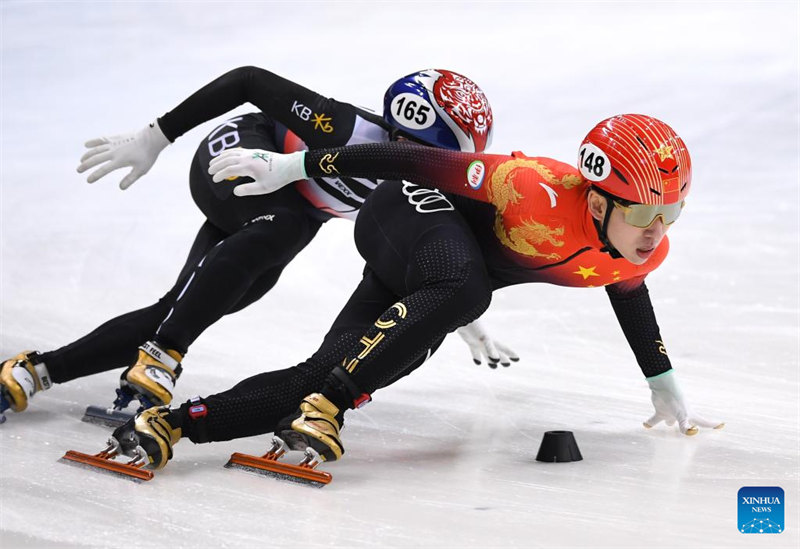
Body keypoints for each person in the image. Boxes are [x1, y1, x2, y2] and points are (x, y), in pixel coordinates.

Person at [109, 113, 723, 471]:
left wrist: (661, 379)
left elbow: (630, 292)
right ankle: (333, 403)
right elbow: (410, 160)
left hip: (433, 276)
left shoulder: (645, 247)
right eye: (646, 213)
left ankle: (175, 425)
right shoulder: (528, 186)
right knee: (466, 291)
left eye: (673, 214)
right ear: (595, 199)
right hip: (403, 212)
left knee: (321, 374)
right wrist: (295, 167)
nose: (658, 232)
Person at [0, 67, 516, 423]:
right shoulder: (345, 128)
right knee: (283, 229)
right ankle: (163, 353)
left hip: (282, 209)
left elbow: (418, 250)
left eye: (445, 164)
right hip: (241, 159)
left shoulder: (425, 180)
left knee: (201, 299)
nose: (431, 172)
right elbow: (249, 80)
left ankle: (34, 371)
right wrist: (156, 135)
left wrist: (459, 316)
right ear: (399, 134)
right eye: (428, 157)